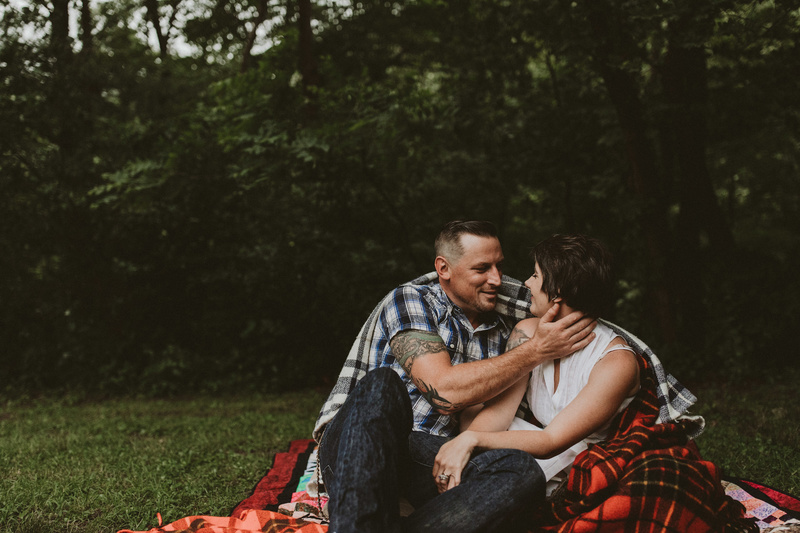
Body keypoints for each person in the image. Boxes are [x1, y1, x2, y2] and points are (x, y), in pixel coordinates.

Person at [313, 221, 598, 533]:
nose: (496, 279)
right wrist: (535, 351)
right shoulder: (411, 300)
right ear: (444, 268)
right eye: (481, 268)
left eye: (499, 266)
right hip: (359, 446)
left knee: (522, 471)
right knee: (381, 385)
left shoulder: (506, 328)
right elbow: (444, 392)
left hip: (429, 460)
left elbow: (571, 300)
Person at [433, 233, 640, 498]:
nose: (526, 283)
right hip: (534, 444)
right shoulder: (528, 332)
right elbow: (499, 414)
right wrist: (467, 440)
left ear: (558, 293)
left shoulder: (615, 362)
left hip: (581, 461)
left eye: (535, 276)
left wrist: (471, 440)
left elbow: (551, 441)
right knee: (471, 412)